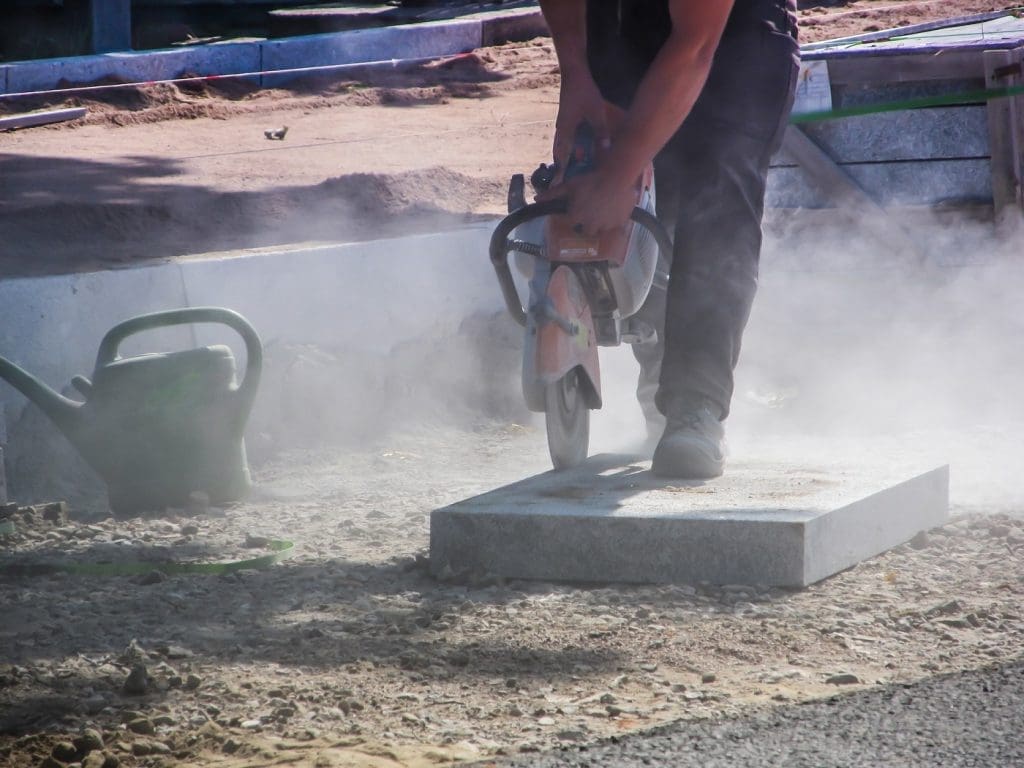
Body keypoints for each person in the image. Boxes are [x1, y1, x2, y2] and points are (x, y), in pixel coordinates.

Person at [537, 0, 799, 479]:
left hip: (733, 37)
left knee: (717, 196)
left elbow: (696, 45)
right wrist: (575, 73)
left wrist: (619, 176)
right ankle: (659, 379)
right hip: (620, 22)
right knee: (633, 200)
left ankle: (695, 408)